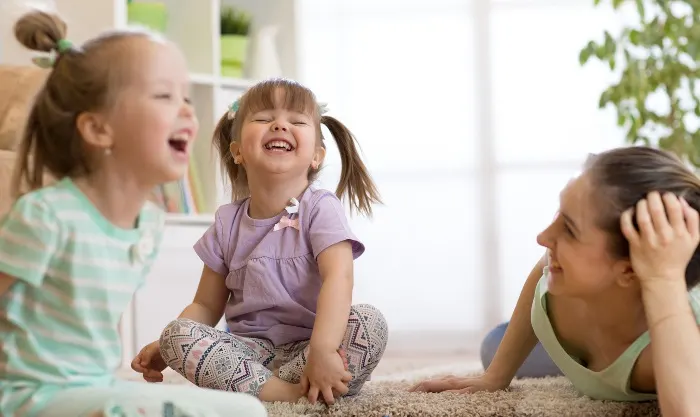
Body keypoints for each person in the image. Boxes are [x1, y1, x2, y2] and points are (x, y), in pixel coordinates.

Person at [0, 10, 267, 417]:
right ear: (98, 129)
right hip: (29, 395)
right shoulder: (47, 216)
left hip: (94, 388)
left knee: (245, 411)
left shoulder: (148, 224)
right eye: (164, 96)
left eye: (187, 98)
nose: (187, 112)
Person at [131, 78, 389, 405]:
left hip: (314, 344)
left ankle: (310, 380)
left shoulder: (321, 208)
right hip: (250, 355)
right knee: (175, 334)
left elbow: (339, 277)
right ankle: (287, 394)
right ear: (238, 150)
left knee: (370, 322)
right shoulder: (227, 223)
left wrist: (323, 350)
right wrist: (165, 346)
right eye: (264, 118)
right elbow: (206, 305)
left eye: (296, 121)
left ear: (316, 156)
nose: (280, 125)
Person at [410, 146, 700, 414]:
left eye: (570, 229)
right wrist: (496, 376)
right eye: (558, 215)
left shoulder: (671, 343)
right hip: (592, 330)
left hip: (652, 338)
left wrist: (663, 278)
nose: (543, 237)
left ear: (629, 270)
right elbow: (542, 267)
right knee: (492, 346)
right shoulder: (561, 274)